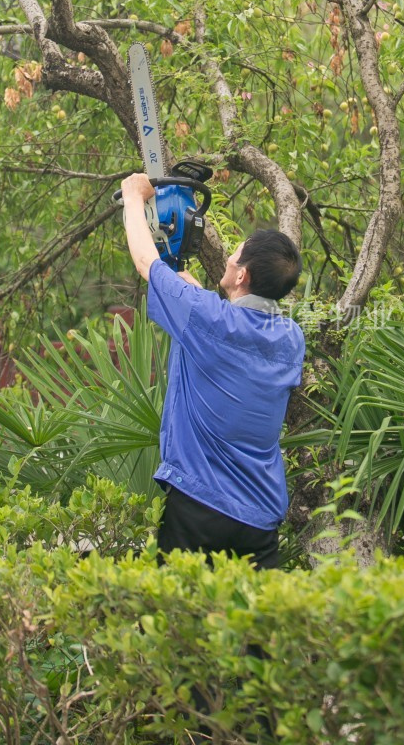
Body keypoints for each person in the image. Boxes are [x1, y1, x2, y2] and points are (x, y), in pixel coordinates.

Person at [120, 172, 305, 569]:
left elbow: (145, 261)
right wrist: (192, 296)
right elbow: (232, 334)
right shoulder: (292, 339)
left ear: (242, 275)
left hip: (198, 506)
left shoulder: (206, 318)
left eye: (235, 254)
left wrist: (133, 196)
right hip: (260, 516)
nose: (229, 258)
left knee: (179, 607)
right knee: (257, 611)